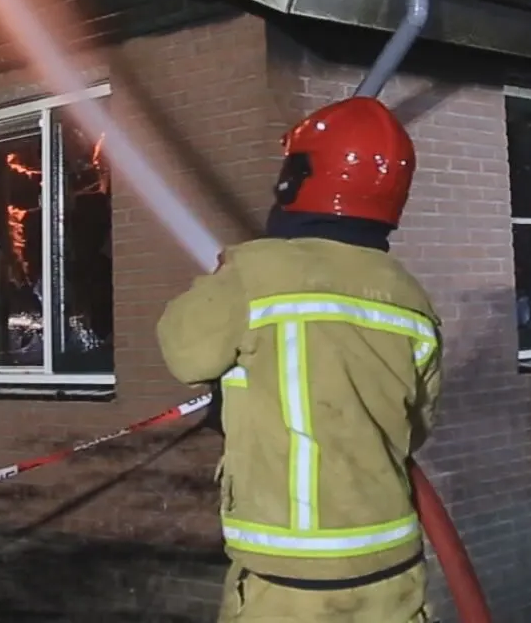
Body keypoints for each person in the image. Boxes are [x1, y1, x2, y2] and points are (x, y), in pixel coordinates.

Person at [158, 95, 443, 623]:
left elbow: (184, 352)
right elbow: (417, 425)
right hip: (394, 568)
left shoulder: (255, 272)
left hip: (290, 580)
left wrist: (224, 276)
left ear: (299, 177)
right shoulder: (409, 295)